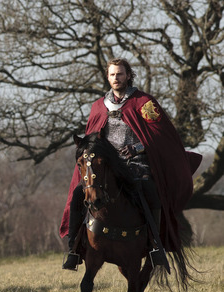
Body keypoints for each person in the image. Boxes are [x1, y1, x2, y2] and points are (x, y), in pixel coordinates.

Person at [60, 58, 202, 270]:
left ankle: (156, 246)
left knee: (149, 191)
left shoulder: (144, 102)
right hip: (108, 167)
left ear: (128, 75)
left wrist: (136, 148)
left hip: (137, 163)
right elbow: (93, 137)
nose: (116, 78)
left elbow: (159, 136)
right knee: (80, 193)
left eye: (120, 74)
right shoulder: (99, 106)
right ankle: (74, 248)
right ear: (107, 77)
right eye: (112, 74)